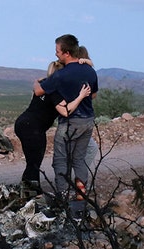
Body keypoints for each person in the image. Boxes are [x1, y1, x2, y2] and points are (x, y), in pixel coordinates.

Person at [14, 61, 91, 197]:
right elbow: (66, 111)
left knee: (32, 162)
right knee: (34, 163)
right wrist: (81, 96)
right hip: (33, 127)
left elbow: (36, 84)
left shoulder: (44, 84)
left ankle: (28, 193)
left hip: (23, 123)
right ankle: (31, 196)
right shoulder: (55, 90)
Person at [33, 34, 98, 195]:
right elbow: (94, 95)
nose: (56, 54)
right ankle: (81, 194)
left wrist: (37, 81)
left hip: (70, 122)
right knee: (79, 158)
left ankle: (63, 196)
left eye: (58, 51)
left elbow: (38, 91)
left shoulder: (61, 75)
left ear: (66, 53)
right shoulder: (90, 71)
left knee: (61, 160)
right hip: (88, 120)